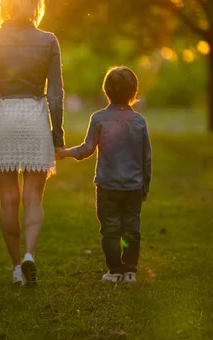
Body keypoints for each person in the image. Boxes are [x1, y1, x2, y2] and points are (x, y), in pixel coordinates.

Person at [0, 0, 65, 286]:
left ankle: (16, 268)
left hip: (3, 118)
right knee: (34, 197)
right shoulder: (49, 40)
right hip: (36, 117)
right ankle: (29, 255)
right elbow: (55, 94)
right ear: (35, 2)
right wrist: (58, 134)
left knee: (8, 198)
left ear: (4, 3)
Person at [56, 66, 151, 283]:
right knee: (131, 228)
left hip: (107, 186)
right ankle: (129, 271)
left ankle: (114, 270)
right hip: (133, 187)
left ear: (106, 90)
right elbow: (147, 158)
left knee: (110, 228)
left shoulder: (99, 119)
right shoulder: (139, 122)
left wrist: (64, 153)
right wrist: (145, 185)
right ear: (134, 91)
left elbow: (86, 149)